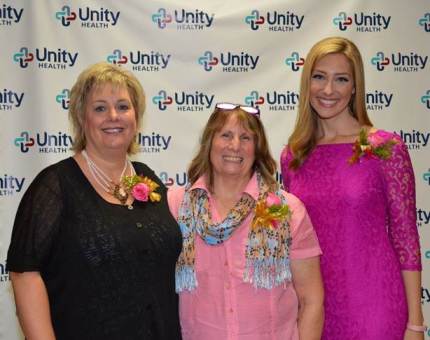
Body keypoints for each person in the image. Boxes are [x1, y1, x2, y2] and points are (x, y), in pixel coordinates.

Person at [6, 62, 182, 340]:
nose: (114, 116)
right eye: (100, 108)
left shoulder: (148, 179)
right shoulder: (55, 185)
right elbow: (24, 273)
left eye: (123, 107)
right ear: (81, 118)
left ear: (137, 117)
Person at [280, 36, 425, 340]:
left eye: (341, 79)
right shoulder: (293, 155)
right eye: (319, 77)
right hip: (314, 310)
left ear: (355, 86)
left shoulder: (385, 149)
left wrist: (415, 323)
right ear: (307, 83)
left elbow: (406, 237)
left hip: (375, 305)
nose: (328, 90)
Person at [168, 103, 324, 340]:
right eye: (226, 135)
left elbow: (311, 299)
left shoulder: (288, 210)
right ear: (210, 142)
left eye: (246, 137)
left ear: (257, 148)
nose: (235, 146)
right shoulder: (176, 205)